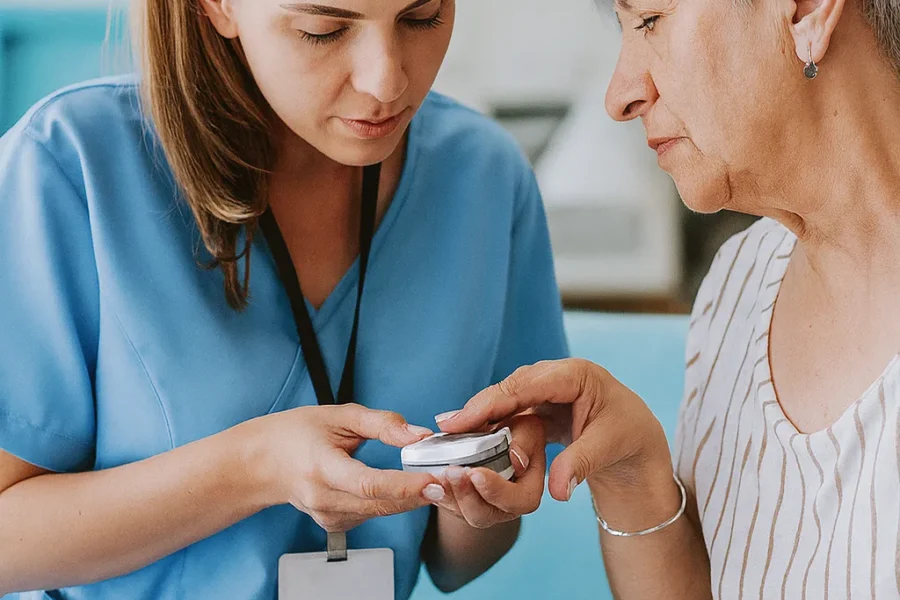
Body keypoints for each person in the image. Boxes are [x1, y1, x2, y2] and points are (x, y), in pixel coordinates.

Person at [0, 0, 568, 598]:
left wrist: (485, 488)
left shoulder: (485, 175)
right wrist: (257, 469)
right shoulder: (65, 164)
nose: (387, 81)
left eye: (422, 17)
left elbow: (457, 566)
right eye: (322, 30)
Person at [441, 0, 900, 597]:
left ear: (807, 11)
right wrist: (635, 472)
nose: (619, 96)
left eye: (651, 19)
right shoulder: (739, 284)